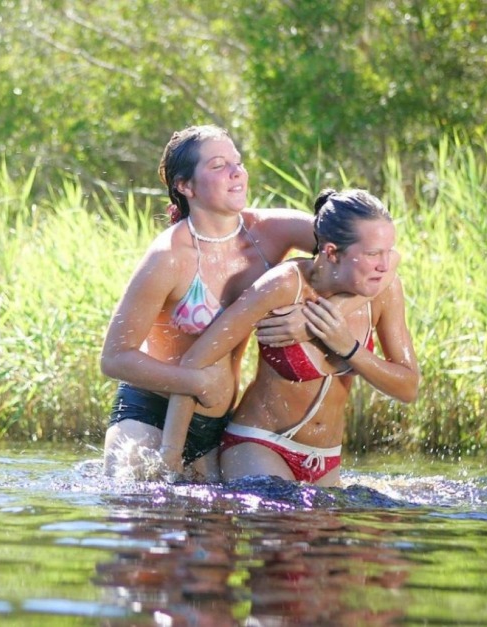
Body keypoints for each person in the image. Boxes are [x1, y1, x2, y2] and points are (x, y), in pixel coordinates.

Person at [100, 125, 380, 481]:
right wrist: (193, 382)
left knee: (219, 530)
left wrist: (316, 321)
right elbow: (114, 357)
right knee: (145, 515)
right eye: (218, 165)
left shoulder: (270, 231)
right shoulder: (168, 257)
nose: (237, 172)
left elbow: (370, 253)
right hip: (151, 411)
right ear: (185, 186)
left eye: (238, 162)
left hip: (219, 423)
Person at [162, 188, 420, 486]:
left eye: (388, 251)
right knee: (286, 512)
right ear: (332, 252)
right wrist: (170, 459)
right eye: (373, 254)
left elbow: (408, 388)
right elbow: (196, 359)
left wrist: (349, 349)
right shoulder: (284, 285)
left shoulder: (383, 290)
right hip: (259, 444)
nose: (385, 265)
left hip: (326, 460)